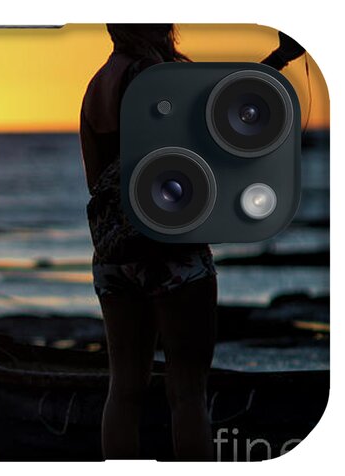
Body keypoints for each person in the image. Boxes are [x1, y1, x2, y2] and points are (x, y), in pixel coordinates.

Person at [79, 25, 305, 460]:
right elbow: (214, 130)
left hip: (112, 253)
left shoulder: (96, 84)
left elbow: (96, 178)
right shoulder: (153, 78)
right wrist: (277, 63)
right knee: (187, 393)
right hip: (170, 250)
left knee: (124, 389)